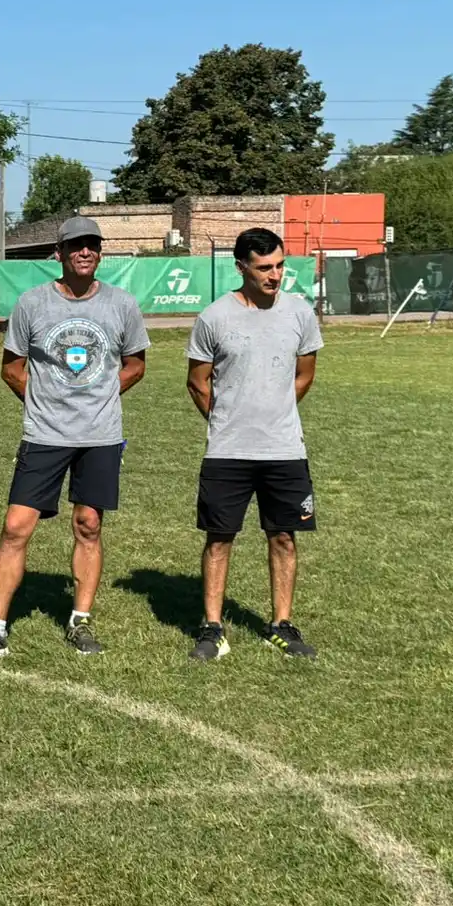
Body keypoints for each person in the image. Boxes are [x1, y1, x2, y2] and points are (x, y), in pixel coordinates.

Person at [0, 215, 149, 661]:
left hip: (100, 436)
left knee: (89, 525)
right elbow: (11, 368)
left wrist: (98, 396)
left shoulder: (122, 304)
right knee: (16, 527)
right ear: (58, 254)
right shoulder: (32, 304)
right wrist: (44, 400)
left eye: (92, 245)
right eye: (76, 245)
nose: (85, 251)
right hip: (45, 434)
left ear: (100, 252)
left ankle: (80, 621)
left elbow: (136, 365)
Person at [185, 227, 323, 661]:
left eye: (280, 265)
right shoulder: (214, 317)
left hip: (285, 450)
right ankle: (212, 627)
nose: (275, 275)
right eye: (265, 267)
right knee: (219, 537)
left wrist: (273, 412)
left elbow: (304, 375)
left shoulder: (300, 313)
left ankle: (281, 624)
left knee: (284, 536)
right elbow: (197, 382)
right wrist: (230, 419)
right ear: (241, 266)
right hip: (227, 451)